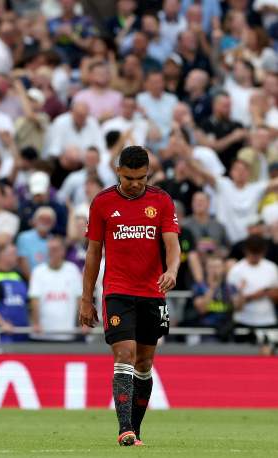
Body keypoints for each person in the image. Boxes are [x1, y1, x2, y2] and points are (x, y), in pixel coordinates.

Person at [80, 145, 181, 446]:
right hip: (118, 292)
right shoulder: (102, 203)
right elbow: (93, 253)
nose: (135, 183)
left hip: (152, 293)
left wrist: (172, 270)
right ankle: (124, 429)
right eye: (129, 178)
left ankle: (135, 430)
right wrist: (87, 298)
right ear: (118, 172)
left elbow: (172, 244)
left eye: (141, 177)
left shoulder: (161, 201)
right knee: (124, 356)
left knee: (145, 363)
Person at [29, 236, 84, 341]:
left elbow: (80, 299)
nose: (52, 253)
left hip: (67, 332)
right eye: (50, 250)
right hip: (42, 333)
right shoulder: (38, 271)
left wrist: (84, 323)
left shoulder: (72, 270)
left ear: (63, 251)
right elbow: (34, 300)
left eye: (55, 249)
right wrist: (36, 323)